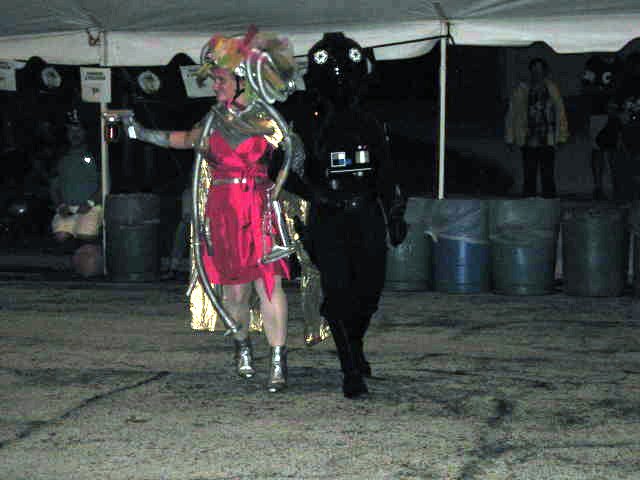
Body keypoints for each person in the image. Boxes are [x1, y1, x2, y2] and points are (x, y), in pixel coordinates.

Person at [122, 28, 297, 393]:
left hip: (260, 208)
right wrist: (139, 133)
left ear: (243, 80)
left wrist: (281, 182)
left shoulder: (268, 119)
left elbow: (296, 156)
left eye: (221, 80)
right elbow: (185, 140)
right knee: (235, 292)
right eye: (215, 79)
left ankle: (278, 360)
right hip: (225, 209)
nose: (215, 86)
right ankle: (242, 345)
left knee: (270, 284)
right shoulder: (213, 120)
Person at [286, 32, 407, 399]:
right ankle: (350, 369)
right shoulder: (304, 120)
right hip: (329, 217)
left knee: (368, 293)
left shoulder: (371, 120)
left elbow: (386, 171)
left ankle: (354, 345)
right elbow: (281, 168)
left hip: (366, 213)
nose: (341, 83)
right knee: (338, 291)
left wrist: (394, 212)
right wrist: (315, 194)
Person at [505, 57, 569, 198]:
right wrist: (510, 137)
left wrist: (562, 136)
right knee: (529, 174)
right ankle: (529, 203)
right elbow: (512, 113)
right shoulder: (521, 89)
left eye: (540, 70)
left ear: (545, 72)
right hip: (528, 138)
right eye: (534, 70)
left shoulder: (552, 89)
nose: (537, 73)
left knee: (548, 174)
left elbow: (560, 113)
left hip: (548, 138)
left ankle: (549, 203)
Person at [50, 110, 104, 276]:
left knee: (85, 235)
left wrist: (90, 203)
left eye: (78, 130)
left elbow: (105, 183)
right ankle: (70, 266)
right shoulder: (61, 156)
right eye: (71, 131)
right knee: (61, 236)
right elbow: (54, 186)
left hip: (91, 206)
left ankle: (90, 263)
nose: (75, 135)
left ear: (85, 133)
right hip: (67, 207)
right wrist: (60, 205)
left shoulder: (97, 153)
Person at [581, 54, 624, 200]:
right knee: (597, 149)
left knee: (615, 151)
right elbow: (585, 87)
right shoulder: (593, 63)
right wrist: (604, 91)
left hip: (618, 113)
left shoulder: (620, 63)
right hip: (598, 113)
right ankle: (598, 187)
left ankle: (618, 186)